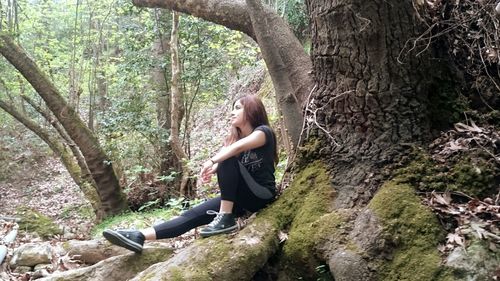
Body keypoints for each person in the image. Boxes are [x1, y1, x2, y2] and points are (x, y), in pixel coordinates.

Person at [103, 95, 278, 253]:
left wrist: (212, 161)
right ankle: (139, 236)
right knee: (192, 215)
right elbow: (232, 162)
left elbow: (234, 152)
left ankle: (225, 217)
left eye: (238, 108)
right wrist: (214, 169)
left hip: (262, 195)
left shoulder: (264, 132)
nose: (232, 112)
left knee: (226, 158)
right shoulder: (237, 142)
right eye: (233, 108)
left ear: (252, 110)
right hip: (242, 199)